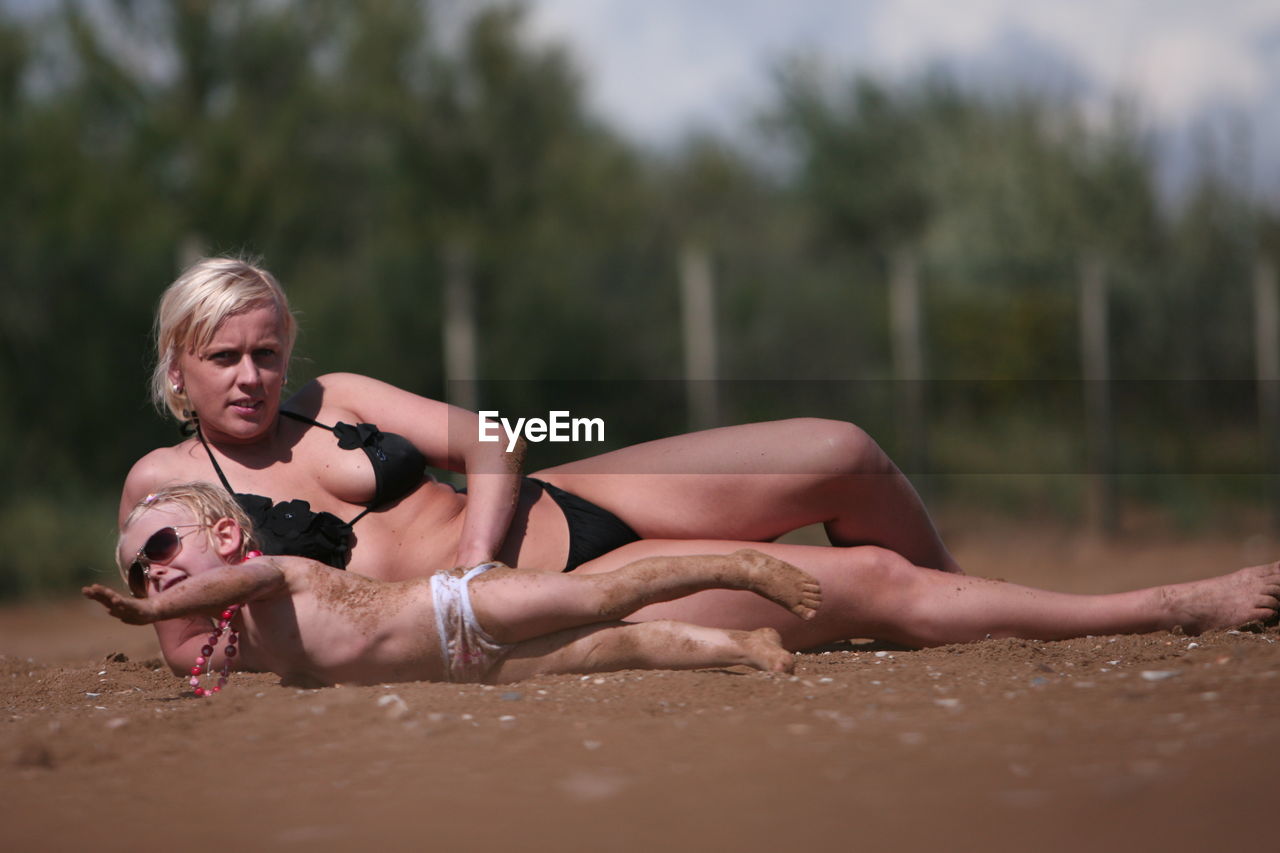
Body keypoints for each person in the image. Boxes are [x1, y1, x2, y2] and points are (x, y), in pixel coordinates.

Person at [121, 257, 1280, 650]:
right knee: (871, 585)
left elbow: (494, 439)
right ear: (179, 368)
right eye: (224, 357)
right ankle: (1170, 605)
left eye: (265, 351)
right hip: (561, 606)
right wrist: (485, 602)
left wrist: (477, 555)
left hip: (564, 509)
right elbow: (182, 614)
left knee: (845, 449)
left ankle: (962, 612)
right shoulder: (165, 486)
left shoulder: (337, 398)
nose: (251, 376)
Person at [88, 483, 822, 687]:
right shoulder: (237, 642)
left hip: (459, 601)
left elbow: (186, 603)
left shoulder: (270, 576)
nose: (150, 572)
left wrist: (140, 605)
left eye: (157, 547)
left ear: (223, 536)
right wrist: (154, 610)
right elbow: (186, 657)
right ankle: (743, 644)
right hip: (466, 668)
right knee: (612, 649)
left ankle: (740, 565)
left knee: (609, 594)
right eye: (136, 568)